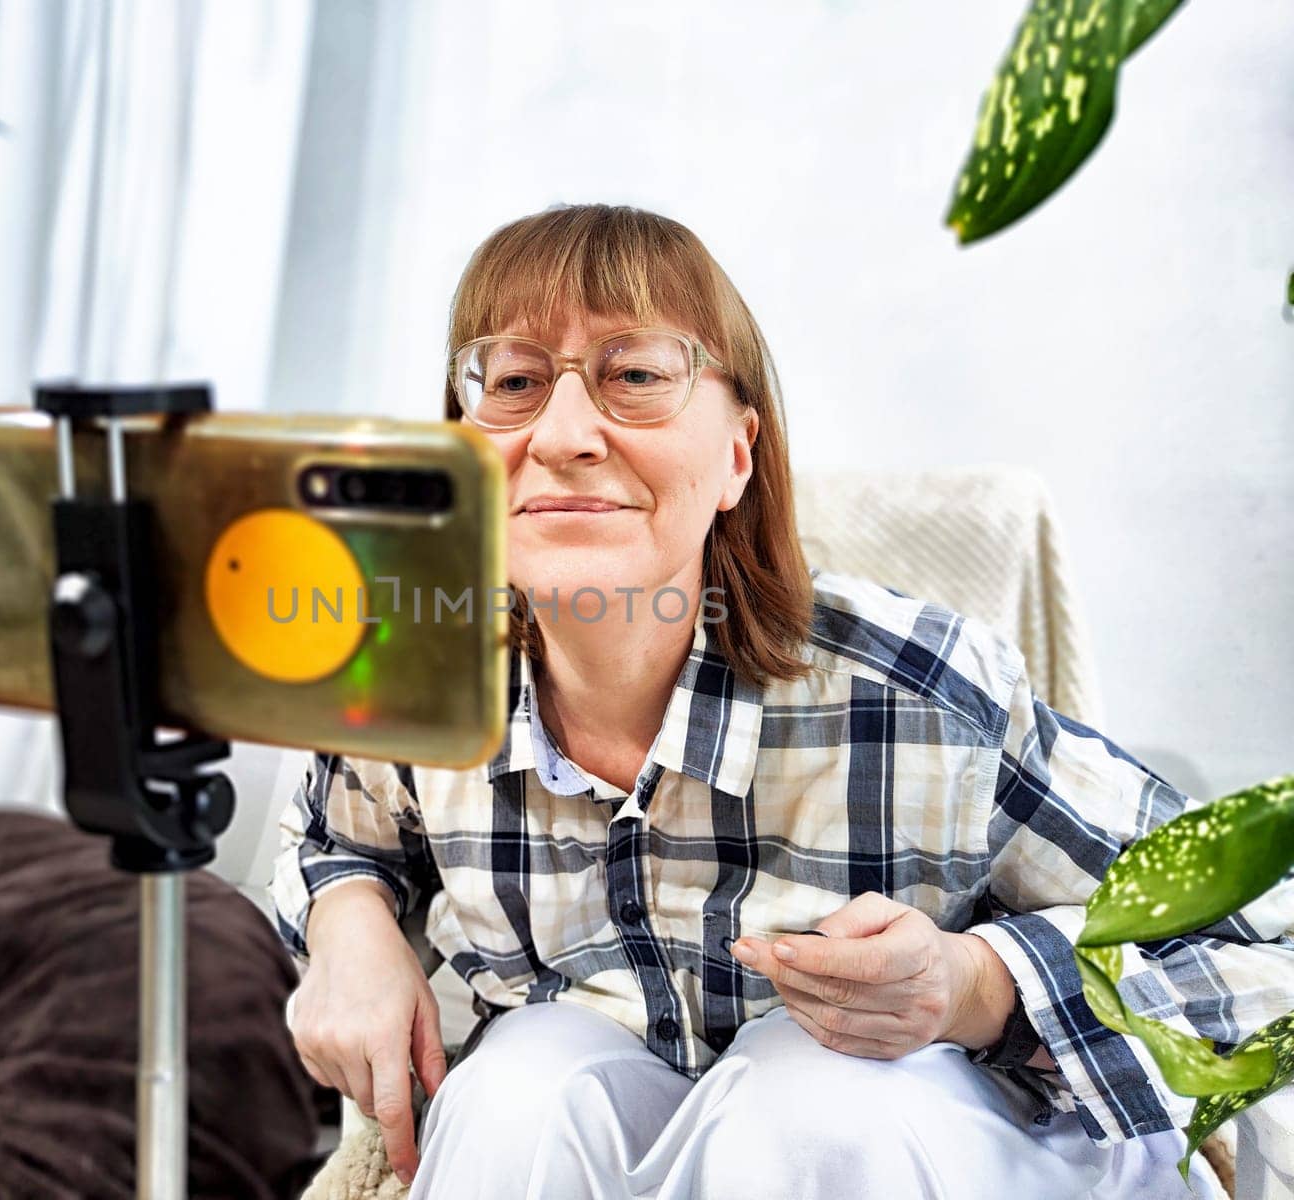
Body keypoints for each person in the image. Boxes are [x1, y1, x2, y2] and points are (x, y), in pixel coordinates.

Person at [271, 204, 1294, 1199]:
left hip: (939, 1144)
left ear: (737, 456)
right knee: (516, 1090)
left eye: (634, 375)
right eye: (513, 380)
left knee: (809, 1100)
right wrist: (346, 920)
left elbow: (1260, 939)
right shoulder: (412, 669)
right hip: (619, 1119)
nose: (564, 431)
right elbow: (335, 833)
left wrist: (975, 987)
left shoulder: (918, 694)